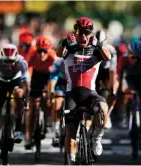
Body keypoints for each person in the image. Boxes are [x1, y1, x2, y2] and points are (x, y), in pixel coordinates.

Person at [56, 17, 111, 164]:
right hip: (72, 96)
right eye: (81, 33)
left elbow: (108, 56)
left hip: (90, 94)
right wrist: (64, 41)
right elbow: (57, 53)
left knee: (103, 109)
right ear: (76, 32)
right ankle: (71, 159)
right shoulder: (70, 47)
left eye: (87, 33)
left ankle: (96, 137)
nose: (83, 36)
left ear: (91, 34)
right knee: (70, 132)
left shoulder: (95, 49)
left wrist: (99, 44)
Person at [0, 44, 30, 156]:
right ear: (1, 59)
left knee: (18, 94)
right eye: (5, 62)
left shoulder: (22, 62)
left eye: (11, 62)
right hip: (0, 80)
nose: (8, 65)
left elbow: (26, 85)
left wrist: (25, 98)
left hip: (16, 79)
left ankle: (18, 129)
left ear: (16, 59)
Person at [117, 41, 141, 150]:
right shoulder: (123, 59)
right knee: (127, 97)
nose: (135, 60)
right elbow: (119, 77)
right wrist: (118, 91)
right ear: (128, 54)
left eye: (138, 57)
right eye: (133, 57)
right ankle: (128, 114)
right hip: (128, 80)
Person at [25, 36, 57, 149]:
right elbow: (26, 72)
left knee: (50, 100)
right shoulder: (32, 54)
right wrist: (27, 86)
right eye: (40, 51)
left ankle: (48, 121)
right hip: (36, 77)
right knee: (33, 108)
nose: (42, 54)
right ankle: (28, 137)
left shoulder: (53, 57)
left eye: (45, 52)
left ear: (49, 51)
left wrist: (50, 92)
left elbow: (56, 75)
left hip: (49, 77)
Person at [95, 30, 118, 129]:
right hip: (95, 71)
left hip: (107, 72)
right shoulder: (92, 49)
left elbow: (112, 71)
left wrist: (110, 88)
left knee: (113, 92)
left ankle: (107, 114)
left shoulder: (111, 50)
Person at [47, 57, 67, 147]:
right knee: (57, 101)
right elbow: (52, 81)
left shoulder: (79, 59)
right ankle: (56, 131)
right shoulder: (59, 62)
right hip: (61, 83)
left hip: (74, 82)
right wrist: (51, 96)